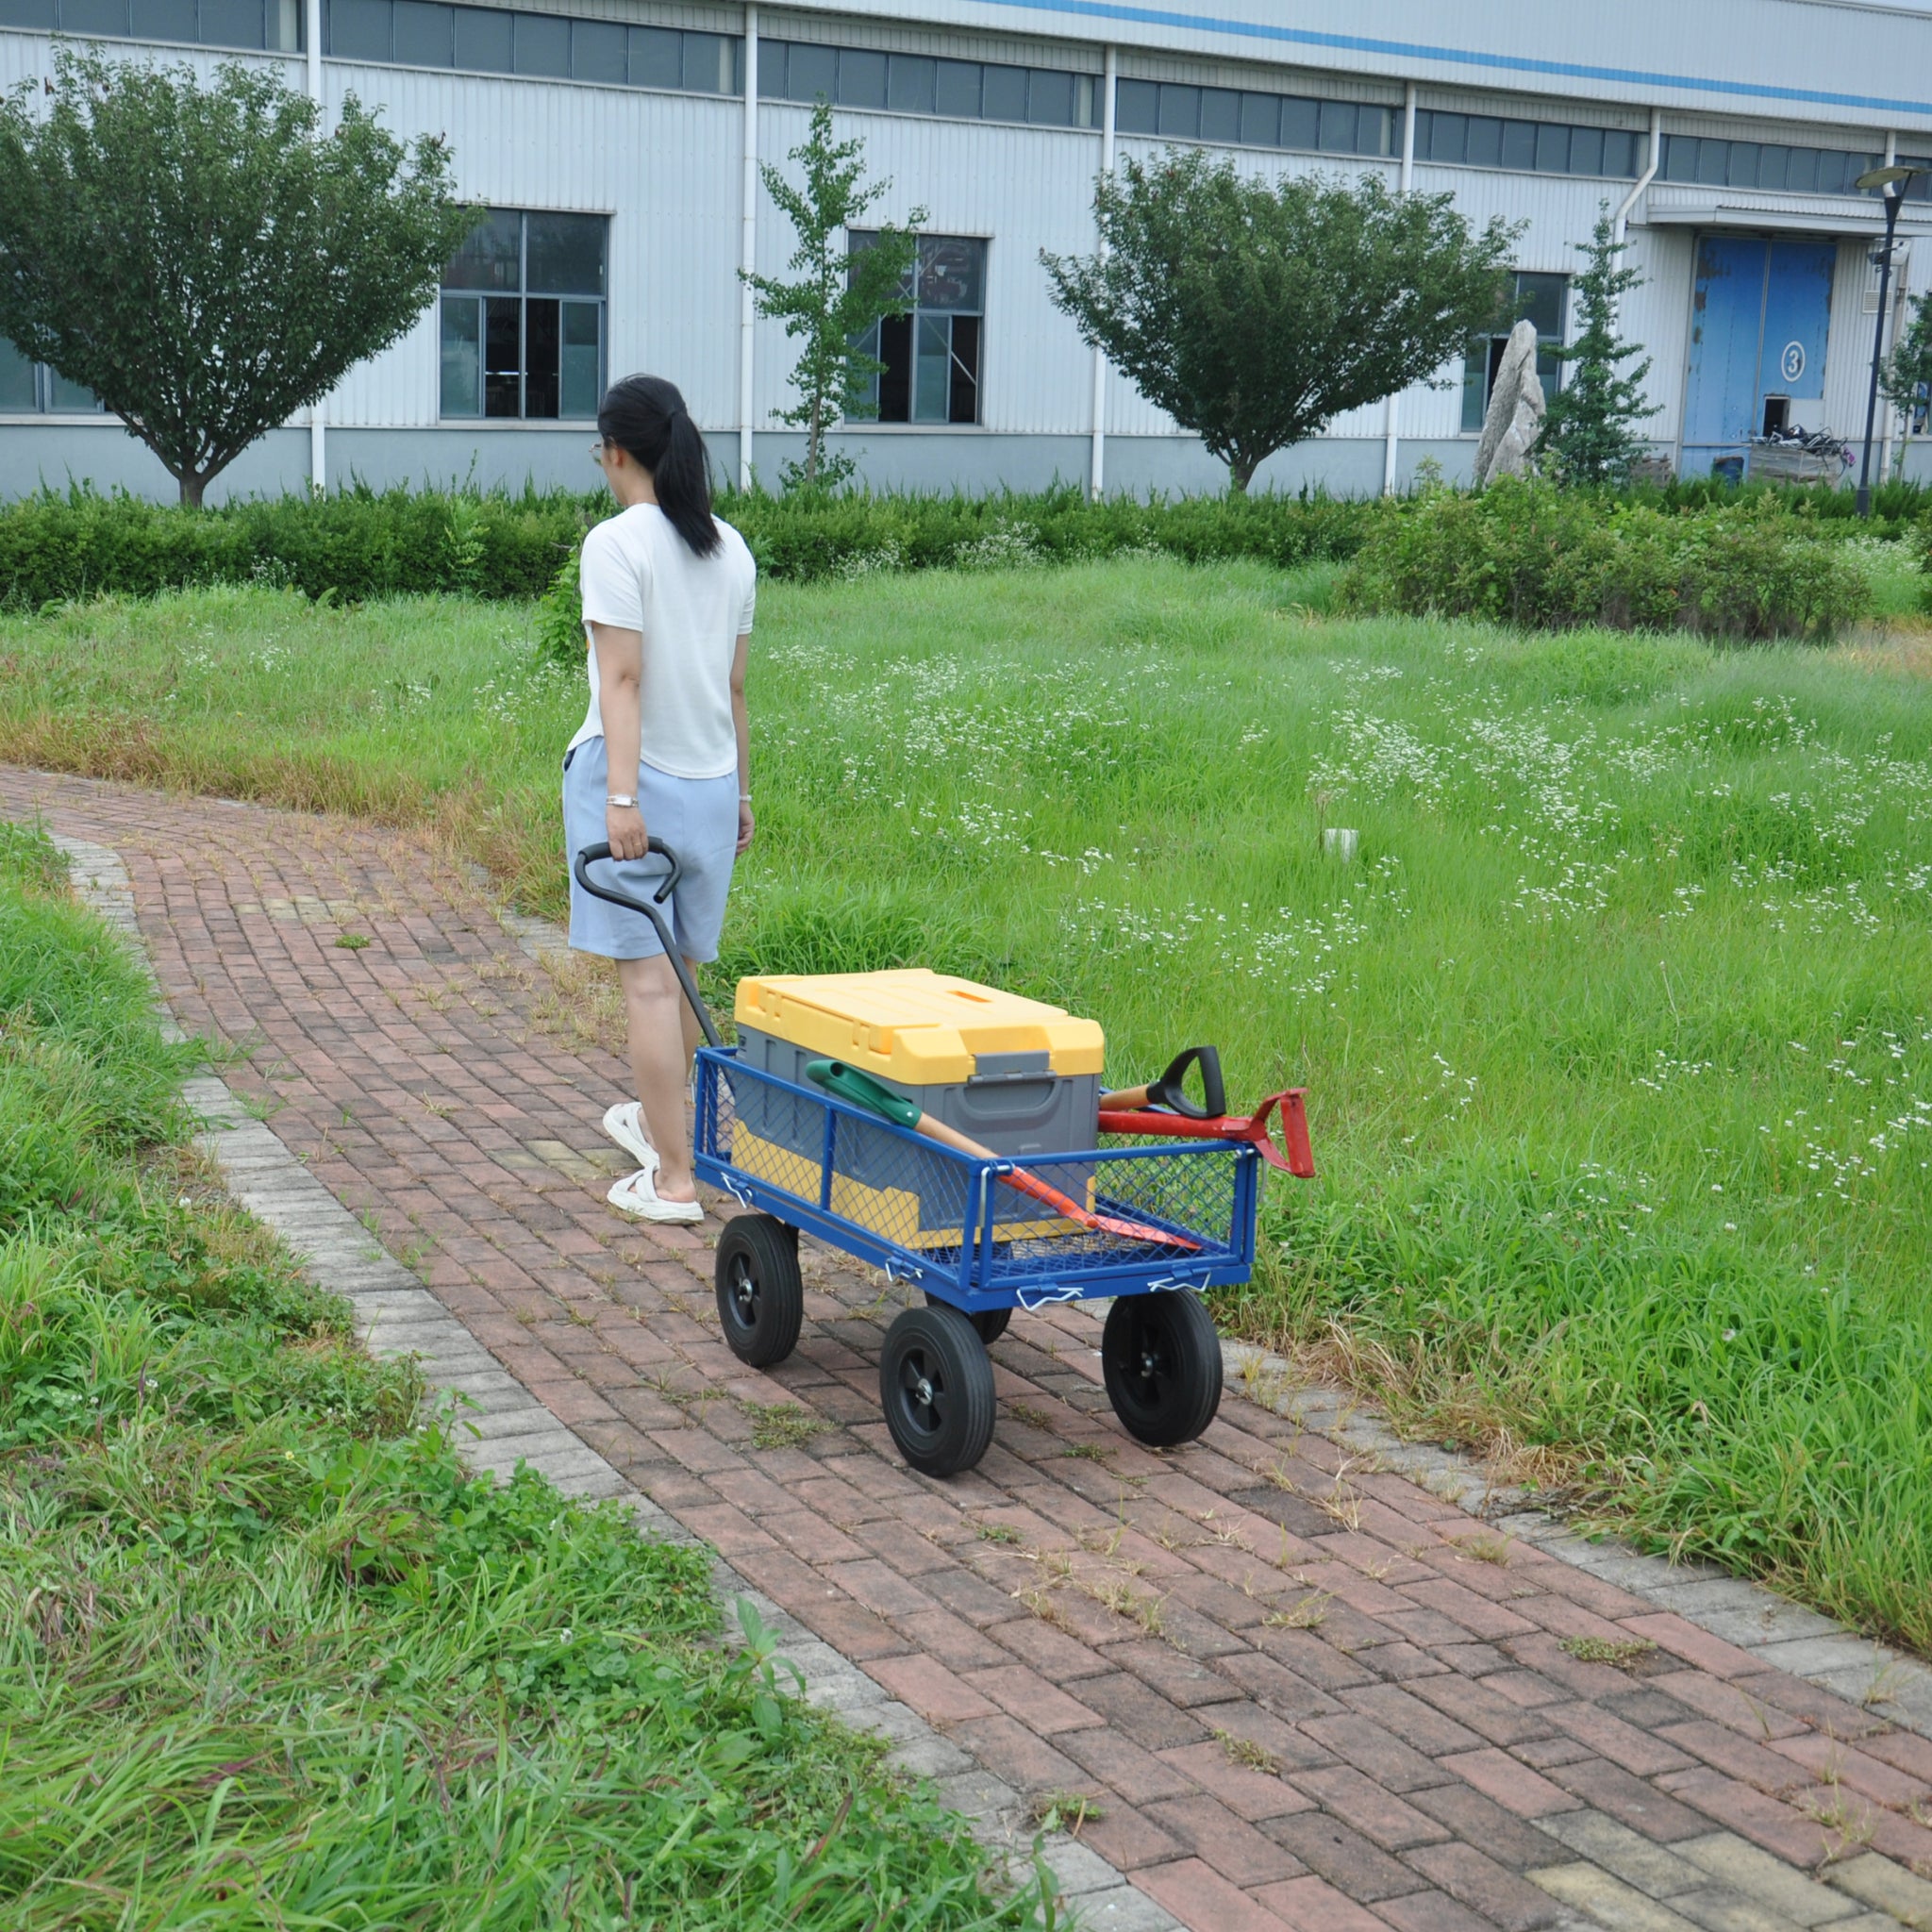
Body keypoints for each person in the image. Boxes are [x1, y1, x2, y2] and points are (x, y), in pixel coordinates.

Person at [562, 375, 755, 1224]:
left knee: (648, 986)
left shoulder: (615, 543)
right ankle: (661, 1127)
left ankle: (675, 1180)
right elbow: (736, 688)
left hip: (641, 783)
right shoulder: (730, 547)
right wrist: (742, 794)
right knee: (681, 980)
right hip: (715, 785)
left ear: (614, 451)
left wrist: (619, 797)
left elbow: (624, 678)